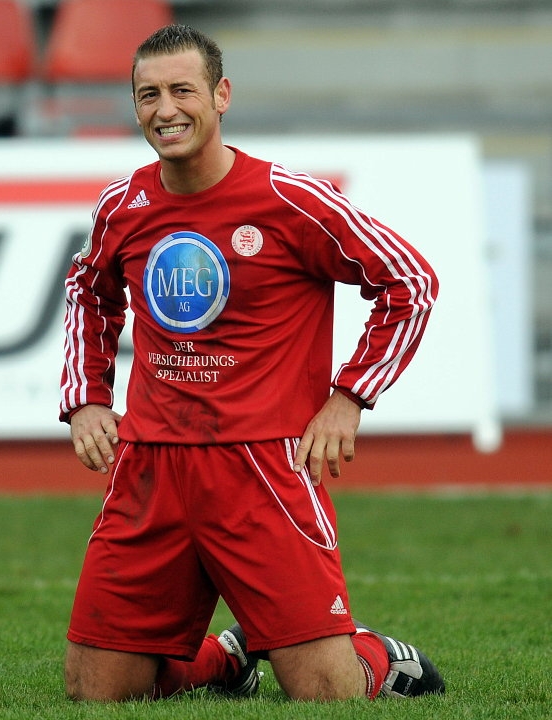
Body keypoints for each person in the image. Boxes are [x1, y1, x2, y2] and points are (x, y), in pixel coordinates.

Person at [59, 23, 444, 703]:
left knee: (324, 693)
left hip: (263, 467)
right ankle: (226, 660)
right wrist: (87, 397)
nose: (166, 110)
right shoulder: (123, 206)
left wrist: (349, 397)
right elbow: (88, 291)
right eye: (148, 95)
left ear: (222, 95)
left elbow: (410, 281)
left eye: (183, 90)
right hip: (152, 465)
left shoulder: (291, 200)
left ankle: (381, 659)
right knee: (98, 692)